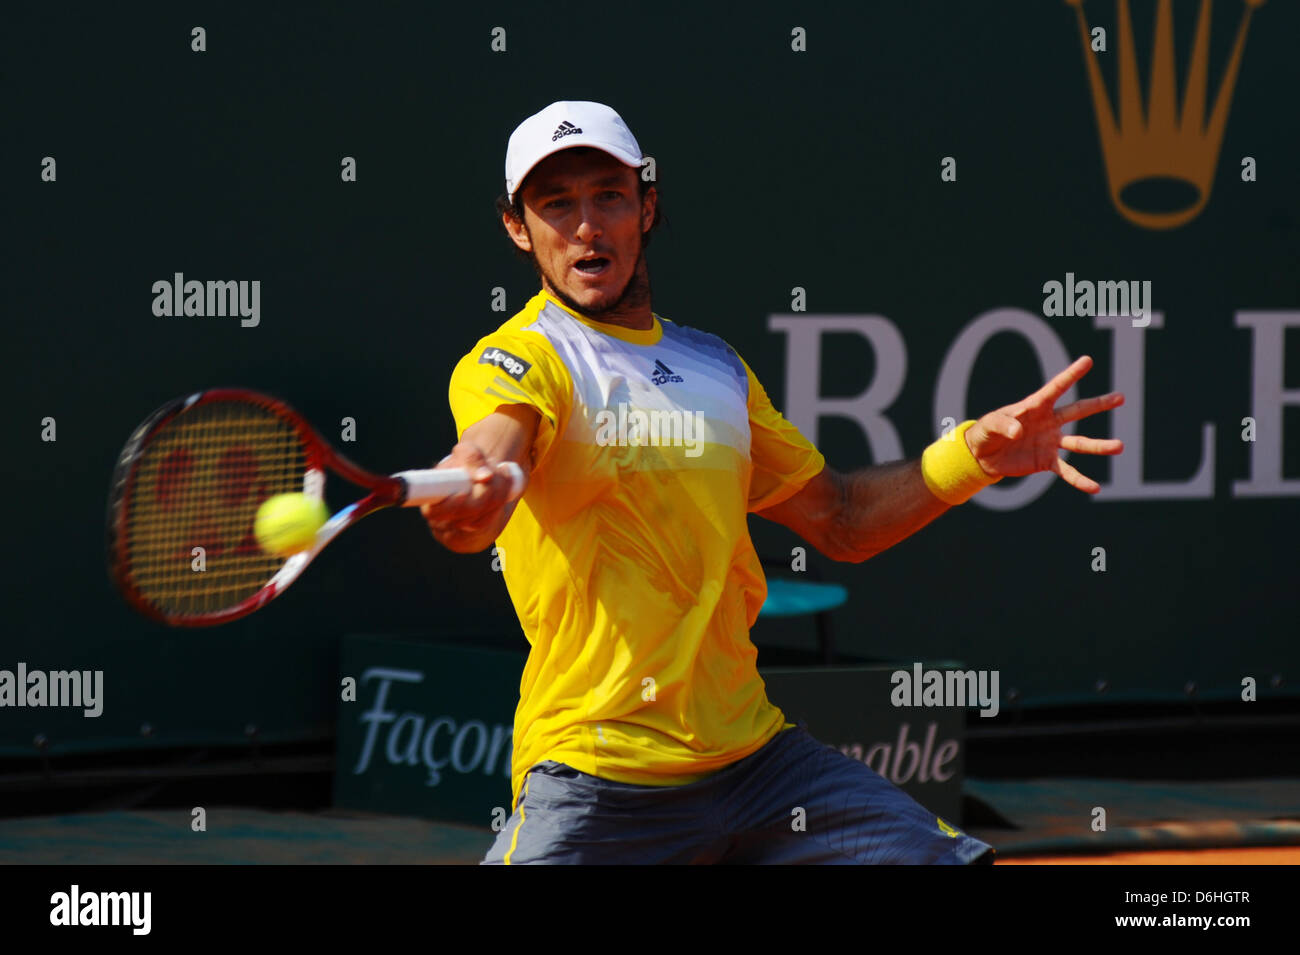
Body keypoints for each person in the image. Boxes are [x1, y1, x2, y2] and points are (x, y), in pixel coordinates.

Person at [421, 101, 1125, 864]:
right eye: (555, 204)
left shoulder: (716, 367)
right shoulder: (520, 357)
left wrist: (974, 457)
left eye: (608, 195)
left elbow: (843, 520)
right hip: (599, 775)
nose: (585, 225)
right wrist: (474, 490)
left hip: (758, 769)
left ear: (646, 206)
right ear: (518, 228)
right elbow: (493, 446)